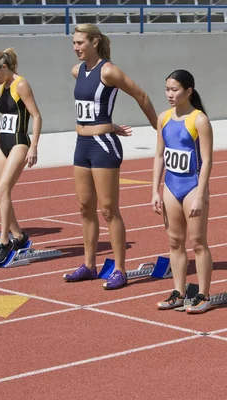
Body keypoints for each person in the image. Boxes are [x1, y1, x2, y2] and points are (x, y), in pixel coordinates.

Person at [62, 24, 158, 290]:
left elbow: (141, 95)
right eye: (73, 43)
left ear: (94, 42)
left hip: (103, 146)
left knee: (108, 209)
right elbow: (94, 108)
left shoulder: (109, 71)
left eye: (80, 42)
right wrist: (109, 123)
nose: (76, 48)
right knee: (84, 208)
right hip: (82, 144)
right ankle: (89, 265)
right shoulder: (76, 71)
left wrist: (159, 127)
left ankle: (119, 269)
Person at [151, 70, 214, 314]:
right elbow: (159, 155)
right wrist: (155, 190)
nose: (169, 94)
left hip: (192, 186)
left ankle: (203, 294)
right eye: (167, 89)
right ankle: (179, 291)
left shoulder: (199, 120)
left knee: (197, 242)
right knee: (174, 241)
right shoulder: (163, 118)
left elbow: (207, 160)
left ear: (188, 91)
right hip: (171, 186)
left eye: (175, 89)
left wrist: (200, 193)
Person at [0, 48, 42, 266]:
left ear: (4, 67)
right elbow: (5, 118)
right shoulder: (2, 87)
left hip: (19, 142)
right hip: (3, 142)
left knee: (3, 190)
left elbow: (36, 115)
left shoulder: (21, 84)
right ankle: (20, 236)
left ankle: (4, 241)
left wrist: (34, 146)